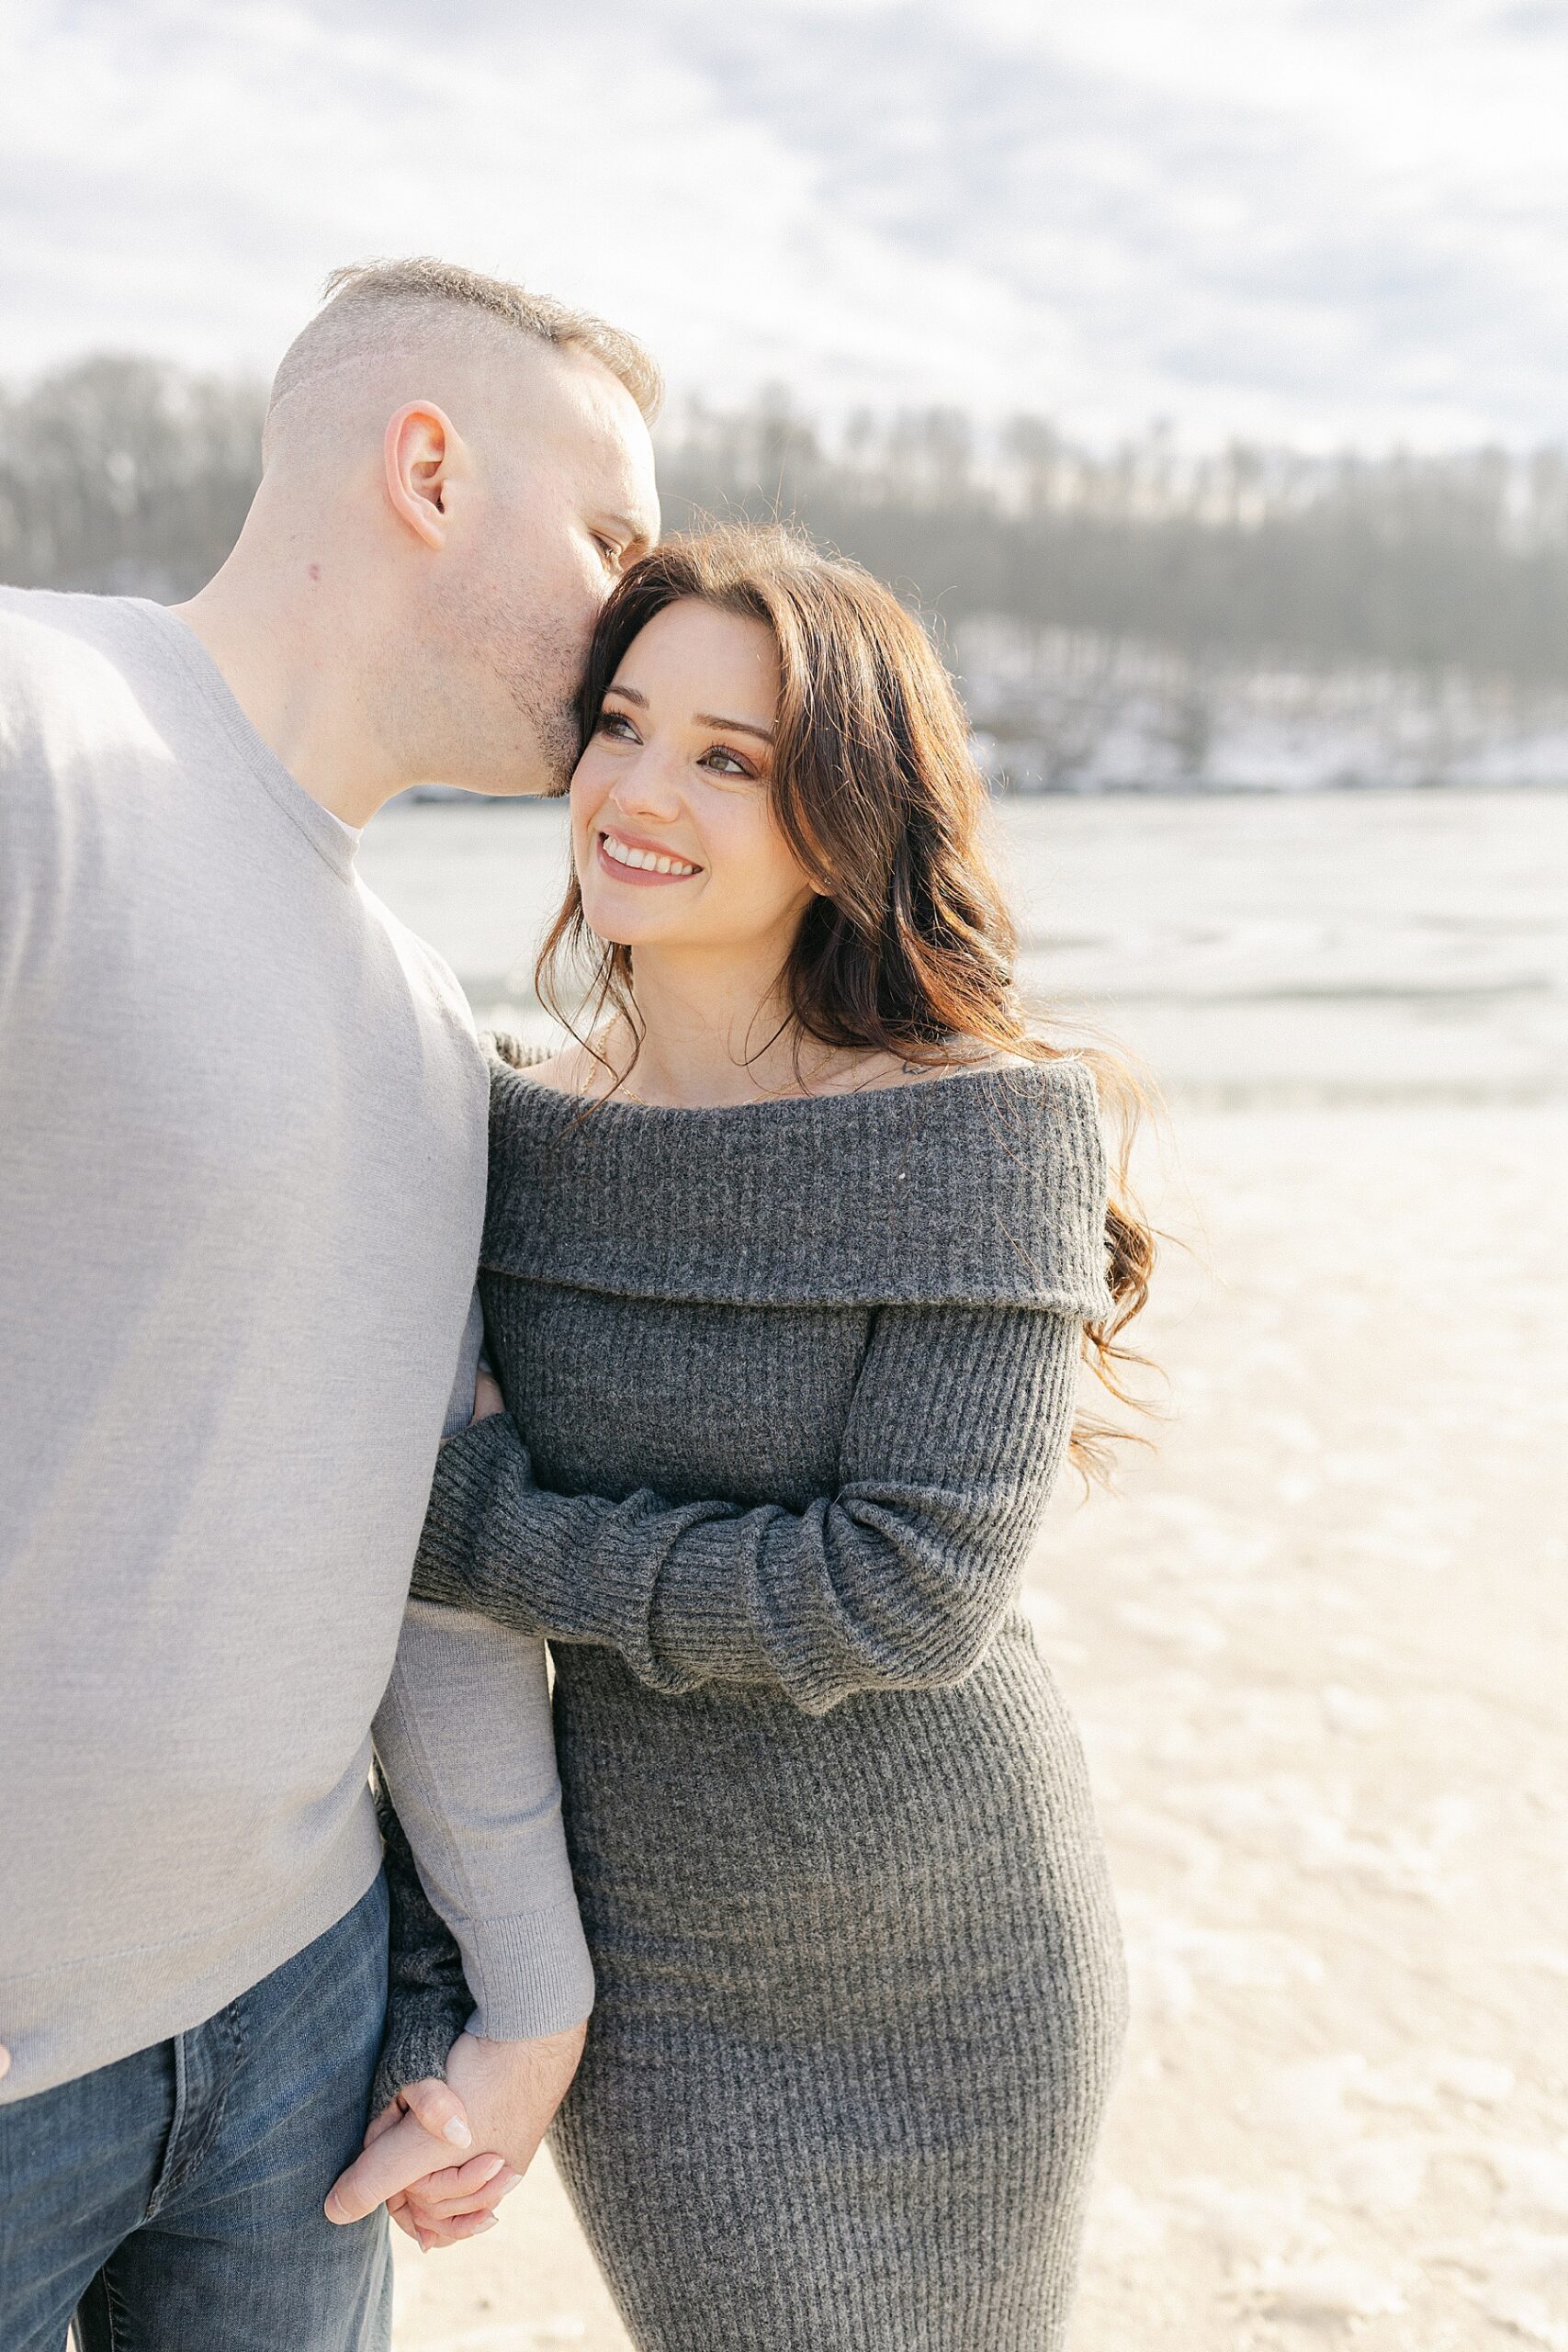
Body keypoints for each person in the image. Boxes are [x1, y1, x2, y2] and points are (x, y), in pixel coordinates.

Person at [332, 527, 1152, 2347]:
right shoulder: (501, 1139)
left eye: (728, 755)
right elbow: (417, 1629)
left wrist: (479, 1527)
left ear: (847, 811)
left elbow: (901, 1592)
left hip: (964, 1954)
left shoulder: (990, 1130)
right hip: (659, 1978)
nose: (634, 790)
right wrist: (453, 1974)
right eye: (620, 725)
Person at [0, 257, 660, 2351]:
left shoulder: (427, 1031)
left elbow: (423, 1551)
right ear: (430, 467)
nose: (640, 608)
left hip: (296, 2020)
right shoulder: (41, 736)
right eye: (612, 537)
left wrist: (534, 1984)